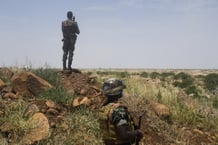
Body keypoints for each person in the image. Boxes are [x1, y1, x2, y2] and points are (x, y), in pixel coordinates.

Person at [99, 78, 143, 145]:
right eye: (120, 90)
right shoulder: (118, 110)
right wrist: (137, 132)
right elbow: (124, 135)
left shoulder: (104, 108)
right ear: (117, 92)